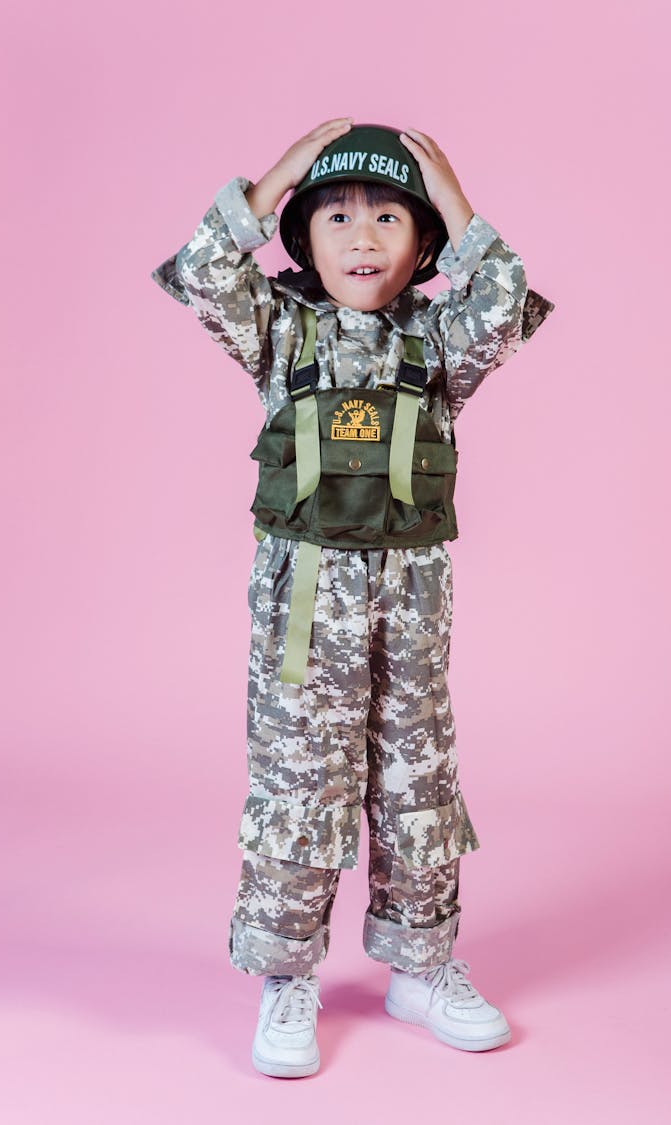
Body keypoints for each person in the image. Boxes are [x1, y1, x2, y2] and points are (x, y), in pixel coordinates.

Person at [151, 118, 555, 1078]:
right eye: (334, 215)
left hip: (410, 607)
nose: (362, 236)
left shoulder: (437, 342)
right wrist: (281, 172)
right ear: (302, 238)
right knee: (301, 781)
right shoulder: (281, 330)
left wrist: (450, 187)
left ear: (422, 246)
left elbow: (499, 299)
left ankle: (421, 963)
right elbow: (205, 269)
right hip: (303, 611)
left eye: (388, 216)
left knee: (418, 780)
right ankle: (287, 974)